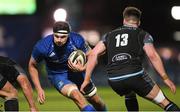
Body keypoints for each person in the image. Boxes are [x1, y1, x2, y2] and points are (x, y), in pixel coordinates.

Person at [80, 6, 180, 111]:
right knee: (164, 102)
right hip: (134, 75)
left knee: (129, 94)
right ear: (139, 22)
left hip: (114, 80)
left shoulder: (109, 35)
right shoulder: (143, 34)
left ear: (124, 20)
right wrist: (165, 78)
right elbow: (152, 56)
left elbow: (93, 54)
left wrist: (86, 80)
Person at [28, 21, 107, 111]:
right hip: (58, 76)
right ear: (53, 34)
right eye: (56, 36)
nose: (59, 40)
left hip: (78, 73)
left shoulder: (77, 40)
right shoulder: (43, 46)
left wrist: (83, 67)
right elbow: (32, 65)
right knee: (76, 96)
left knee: (96, 102)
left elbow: (92, 56)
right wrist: (39, 88)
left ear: (69, 35)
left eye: (63, 37)